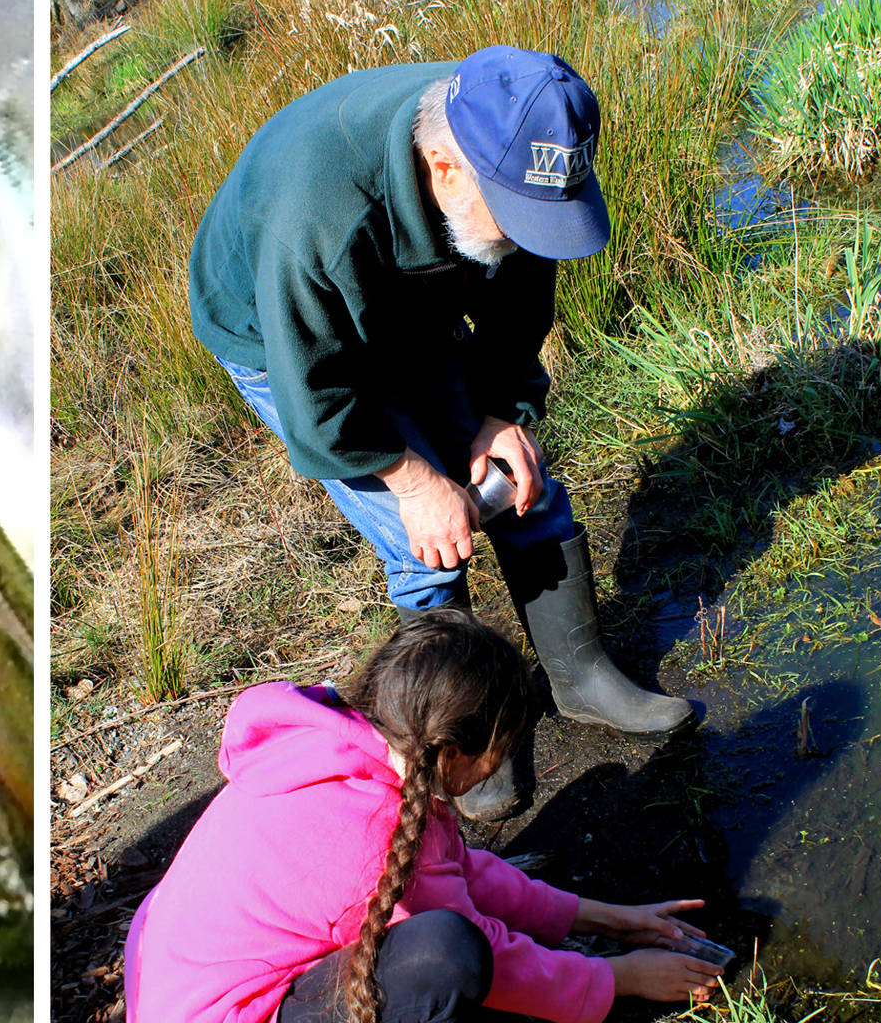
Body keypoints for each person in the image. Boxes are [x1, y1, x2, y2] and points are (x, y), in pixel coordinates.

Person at [186, 44, 692, 818]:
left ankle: (579, 677)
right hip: (282, 333)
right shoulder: (317, 218)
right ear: (446, 168)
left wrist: (497, 412)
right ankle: (469, 740)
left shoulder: (511, 157)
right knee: (425, 538)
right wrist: (416, 482)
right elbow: (320, 397)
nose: (529, 237)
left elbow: (518, 308)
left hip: (410, 288)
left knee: (517, 481)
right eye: (517, 219)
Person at [121, 611, 723, 1023]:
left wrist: (603, 918)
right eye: (503, 746)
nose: (502, 762)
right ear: (454, 752)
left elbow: (458, 870)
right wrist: (619, 978)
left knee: (435, 934)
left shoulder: (340, 744)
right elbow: (496, 960)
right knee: (444, 956)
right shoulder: (371, 836)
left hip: (170, 995)